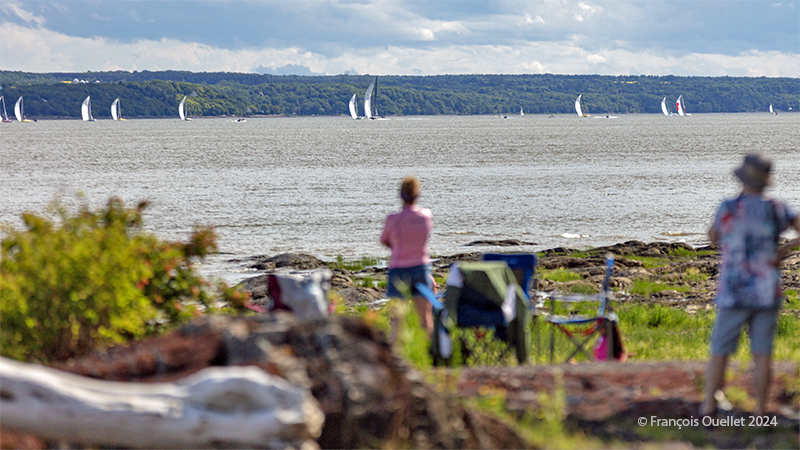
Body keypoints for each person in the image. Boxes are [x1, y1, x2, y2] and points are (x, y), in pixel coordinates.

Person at [701, 153, 800, 417]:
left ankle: (710, 405)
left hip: (733, 289)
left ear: (742, 179)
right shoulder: (775, 208)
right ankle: (760, 410)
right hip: (767, 289)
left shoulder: (729, 207)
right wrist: (785, 251)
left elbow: (713, 237)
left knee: (720, 349)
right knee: (762, 353)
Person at [381, 175, 434, 335]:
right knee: (425, 316)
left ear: (401, 196)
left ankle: (396, 355)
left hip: (399, 269)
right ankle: (429, 354)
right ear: (417, 195)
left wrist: (397, 248)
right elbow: (425, 236)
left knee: (397, 319)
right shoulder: (426, 216)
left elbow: (384, 240)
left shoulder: (393, 219)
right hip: (421, 267)